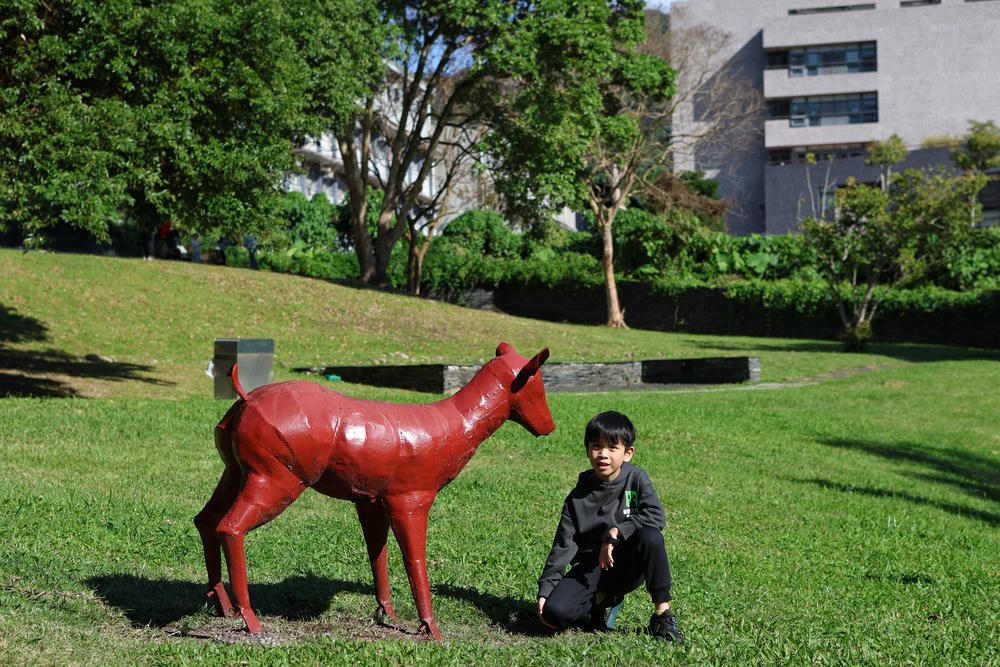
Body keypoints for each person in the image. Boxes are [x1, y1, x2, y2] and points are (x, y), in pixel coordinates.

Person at [536, 411, 684, 642]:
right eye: (596, 446)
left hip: (627, 562)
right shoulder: (577, 498)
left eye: (612, 447)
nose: (603, 454)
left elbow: (656, 515)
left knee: (651, 536)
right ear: (587, 449)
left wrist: (617, 532)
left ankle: (661, 614)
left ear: (628, 453)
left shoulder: (636, 479)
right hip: (589, 567)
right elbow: (563, 546)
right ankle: (601, 600)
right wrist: (545, 591)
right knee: (554, 615)